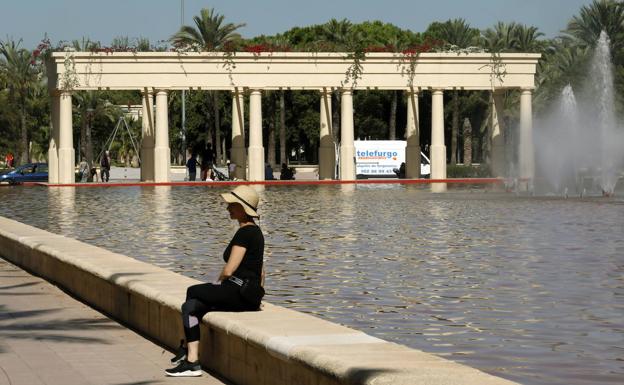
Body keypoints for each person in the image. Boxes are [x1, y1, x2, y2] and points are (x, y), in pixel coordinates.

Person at [165, 185, 265, 377]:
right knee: (190, 307)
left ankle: (189, 353)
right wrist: (259, 295)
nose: (227, 208)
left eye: (231, 205)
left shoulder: (245, 233)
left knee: (193, 290)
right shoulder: (256, 232)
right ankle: (191, 359)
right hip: (246, 293)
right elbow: (261, 271)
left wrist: (217, 284)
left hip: (238, 291)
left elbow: (229, 270)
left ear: (242, 208)